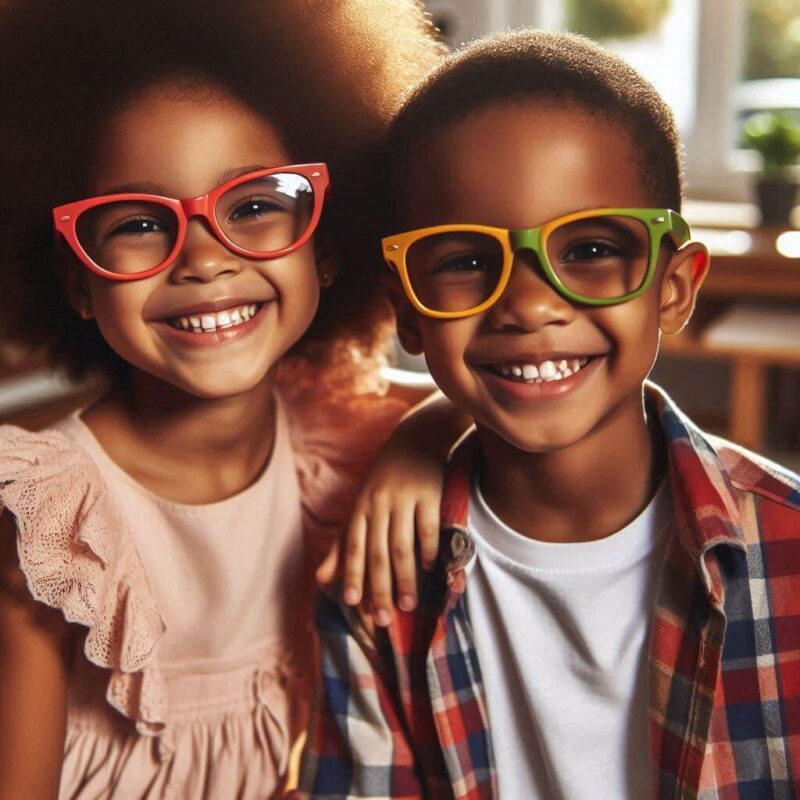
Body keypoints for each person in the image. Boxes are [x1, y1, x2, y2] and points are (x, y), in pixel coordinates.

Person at [299, 29, 800, 799]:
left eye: (592, 249)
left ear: (674, 288)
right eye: (466, 260)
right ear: (406, 309)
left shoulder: (789, 548)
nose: (530, 305)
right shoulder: (379, 588)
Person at [0, 2, 451, 798]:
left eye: (252, 206)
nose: (204, 261)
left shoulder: (341, 433)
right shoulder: (49, 524)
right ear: (76, 281)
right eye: (140, 222)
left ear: (328, 243)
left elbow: (492, 397)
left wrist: (423, 442)